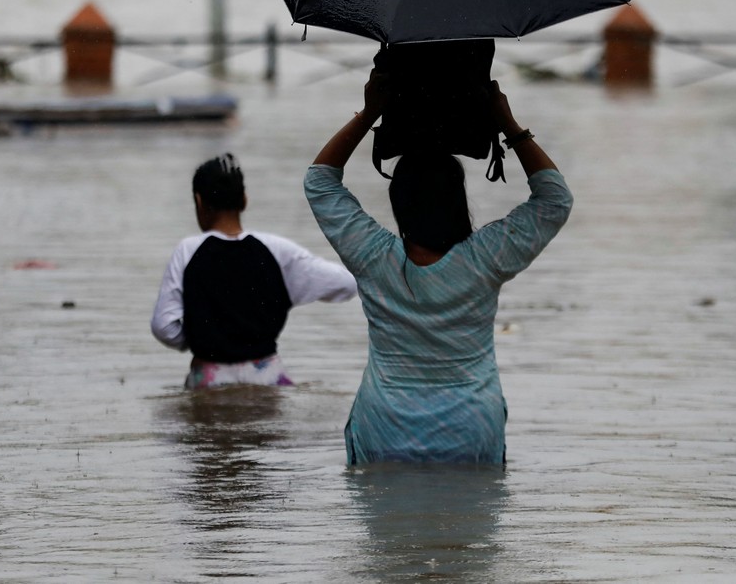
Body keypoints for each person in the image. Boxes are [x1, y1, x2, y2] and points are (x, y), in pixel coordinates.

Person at [303, 74, 573, 464]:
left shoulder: (373, 256)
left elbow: (320, 182)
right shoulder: (487, 257)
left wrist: (370, 113)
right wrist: (509, 126)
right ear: (457, 201)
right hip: (471, 429)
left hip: (385, 427)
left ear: (399, 203)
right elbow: (555, 199)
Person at [152, 153, 357, 389]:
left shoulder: (187, 251)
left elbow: (163, 326)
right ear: (245, 200)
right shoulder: (278, 251)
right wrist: (291, 291)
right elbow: (347, 284)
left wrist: (201, 337)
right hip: (266, 376)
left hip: (209, 377)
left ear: (199, 202)